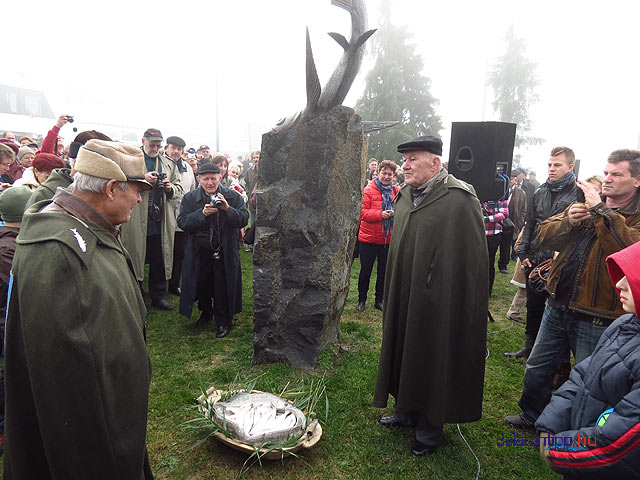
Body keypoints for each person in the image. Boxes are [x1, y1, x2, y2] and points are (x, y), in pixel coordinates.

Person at [3, 139, 154, 478]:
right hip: (95, 447)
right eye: (135, 190)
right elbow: (72, 392)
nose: (139, 198)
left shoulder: (83, 225)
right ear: (112, 188)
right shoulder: (62, 255)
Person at [505, 148, 640, 429]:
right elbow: (544, 235)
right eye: (606, 173)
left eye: (617, 174)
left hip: (599, 314)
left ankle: (581, 430)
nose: (608, 179)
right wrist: (569, 220)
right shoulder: (590, 205)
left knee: (591, 380)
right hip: (558, 302)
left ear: (636, 180)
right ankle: (531, 415)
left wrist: (601, 212)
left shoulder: (629, 215)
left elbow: (628, 253)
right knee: (538, 367)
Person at [373, 135, 489, 456]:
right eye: (404, 160)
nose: (404, 166)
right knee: (402, 346)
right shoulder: (407, 196)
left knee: (432, 353)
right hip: (404, 291)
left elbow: (472, 260)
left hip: (440, 300)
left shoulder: (459, 199)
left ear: (435, 163)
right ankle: (405, 409)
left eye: (412, 160)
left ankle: (429, 427)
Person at [535, 240, 640, 478]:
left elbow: (620, 443)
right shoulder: (624, 324)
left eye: (632, 277)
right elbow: (583, 375)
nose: (619, 284)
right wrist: (552, 424)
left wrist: (561, 451)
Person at [505, 147, 578, 358]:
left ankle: (558, 360)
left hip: (561, 262)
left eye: (557, 165)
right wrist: (523, 251)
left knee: (558, 311)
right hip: (535, 259)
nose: (552, 169)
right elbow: (530, 224)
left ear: (570, 167)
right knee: (533, 306)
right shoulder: (540, 191)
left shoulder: (577, 193)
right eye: (549, 164)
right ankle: (530, 347)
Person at [178, 163, 248, 337]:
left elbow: (243, 219)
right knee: (202, 283)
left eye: (213, 178)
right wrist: (202, 215)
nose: (210, 182)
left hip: (224, 249)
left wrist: (226, 209)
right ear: (199, 180)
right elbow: (183, 223)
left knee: (221, 284)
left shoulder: (233, 196)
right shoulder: (189, 198)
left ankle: (223, 320)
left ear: (220, 178)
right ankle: (206, 311)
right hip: (199, 251)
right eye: (206, 179)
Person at [120, 128, 183, 310]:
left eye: (158, 145)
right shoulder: (130, 159)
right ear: (143, 141)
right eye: (152, 144)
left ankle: (158, 295)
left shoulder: (168, 163)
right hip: (136, 216)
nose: (155, 148)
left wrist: (170, 188)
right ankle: (136, 294)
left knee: (160, 258)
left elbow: (179, 188)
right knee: (134, 255)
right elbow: (121, 182)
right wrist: (143, 179)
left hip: (160, 219)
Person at [356, 160, 399, 312]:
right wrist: (380, 214)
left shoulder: (396, 191)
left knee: (383, 272)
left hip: (387, 239)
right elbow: (361, 213)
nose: (386, 177)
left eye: (390, 174)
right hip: (368, 238)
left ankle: (379, 300)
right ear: (378, 173)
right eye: (384, 173)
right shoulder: (368, 189)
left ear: (393, 176)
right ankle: (362, 299)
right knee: (365, 271)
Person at [165, 135, 195, 297]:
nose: (176, 151)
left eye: (179, 149)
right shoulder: (161, 165)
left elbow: (191, 191)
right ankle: (160, 283)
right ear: (167, 148)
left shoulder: (187, 168)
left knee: (179, 253)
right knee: (162, 253)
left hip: (181, 218)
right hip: (163, 217)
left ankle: (174, 283)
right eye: (173, 148)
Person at [482, 199, 508, 295]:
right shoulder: (480, 196)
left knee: (489, 262)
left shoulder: (500, 198)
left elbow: (504, 214)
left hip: (493, 234)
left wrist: (487, 218)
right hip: (479, 232)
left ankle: (488, 290)